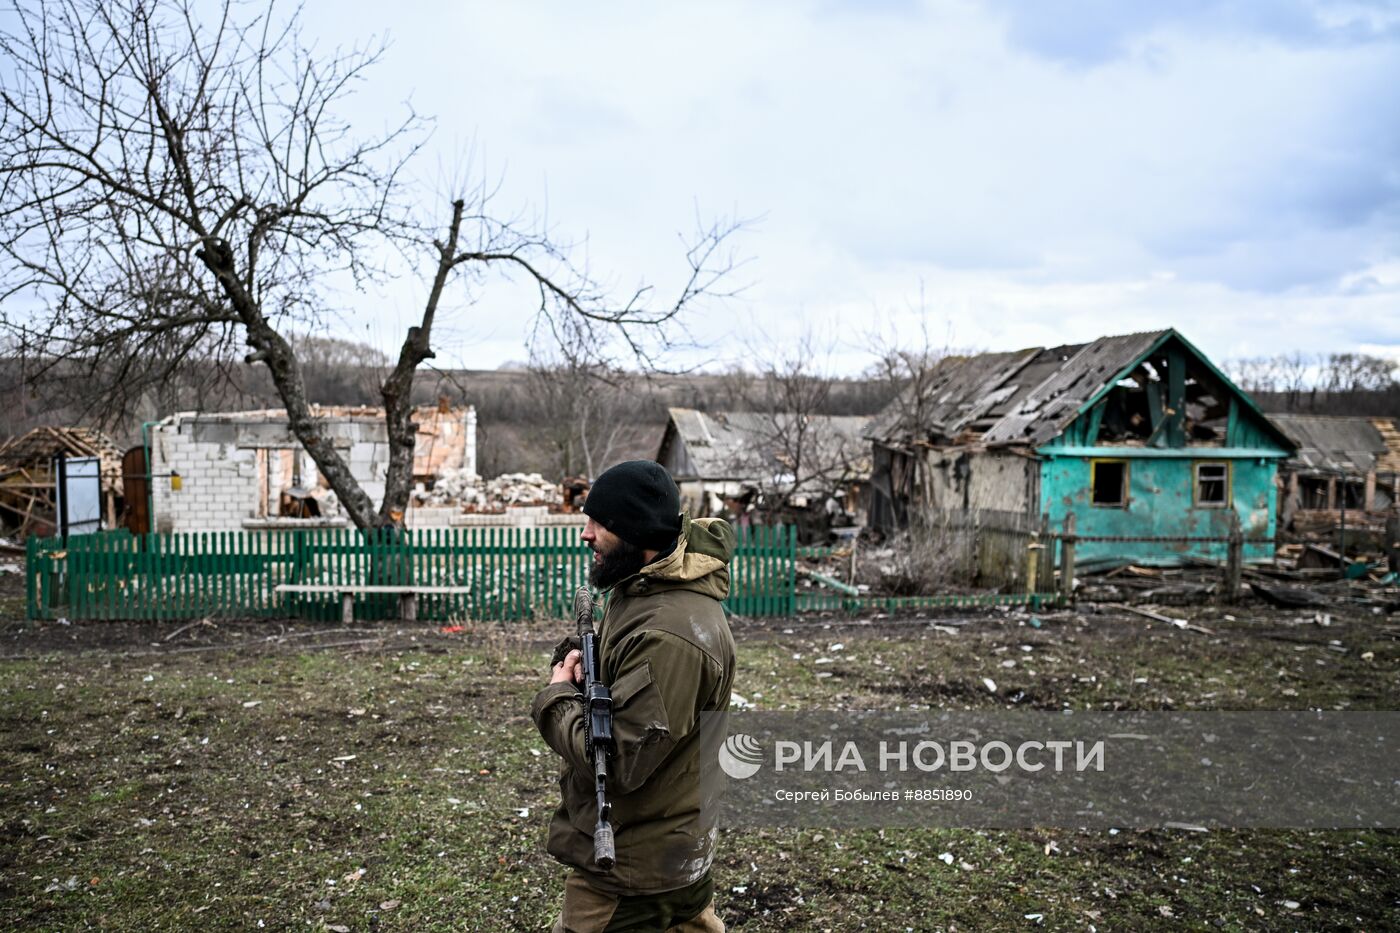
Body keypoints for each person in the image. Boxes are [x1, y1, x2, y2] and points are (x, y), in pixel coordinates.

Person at [532, 460, 735, 932]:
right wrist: (589, 667)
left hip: (636, 870)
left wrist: (557, 696)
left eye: (598, 522)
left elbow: (618, 761)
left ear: (635, 531)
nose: (585, 534)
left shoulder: (670, 635)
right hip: (662, 849)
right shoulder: (645, 589)